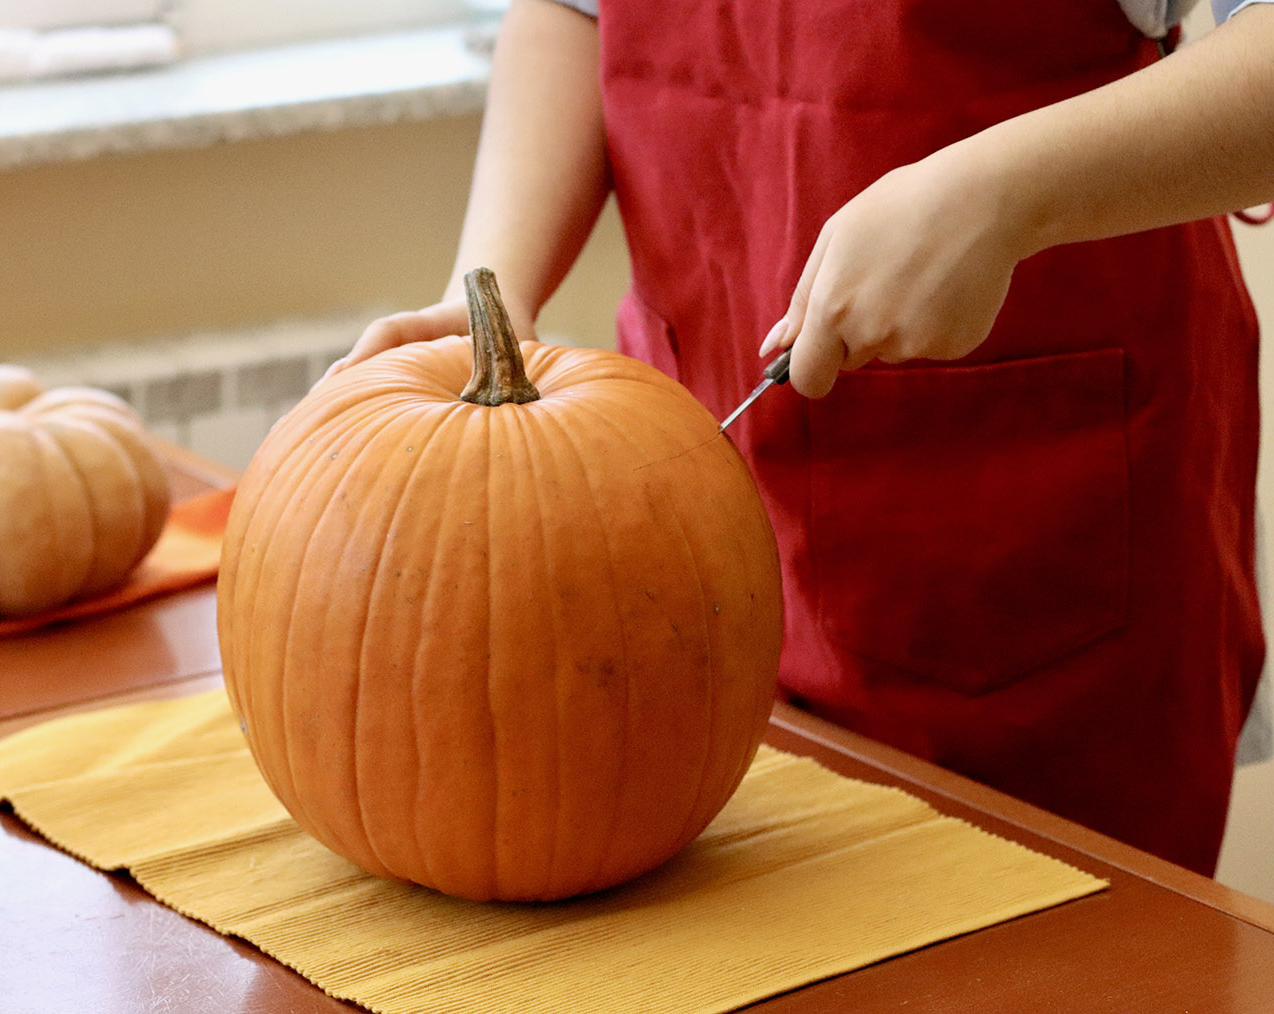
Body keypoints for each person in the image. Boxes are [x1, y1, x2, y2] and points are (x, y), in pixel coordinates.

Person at [327, 0, 1274, 876]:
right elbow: (572, 13)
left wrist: (1001, 195)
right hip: (696, 521)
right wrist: (488, 285)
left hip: (1039, 539)